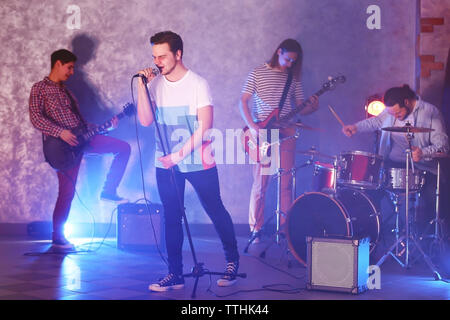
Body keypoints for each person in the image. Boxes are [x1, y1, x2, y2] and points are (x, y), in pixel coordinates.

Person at [136, 31, 240, 291]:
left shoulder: (198, 84)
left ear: (178, 54)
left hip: (196, 159)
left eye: (163, 56)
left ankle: (232, 262)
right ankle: (175, 274)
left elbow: (205, 127)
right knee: (172, 216)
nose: (157, 61)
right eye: (154, 56)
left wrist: (178, 156)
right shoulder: (155, 85)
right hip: (166, 162)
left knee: (214, 208)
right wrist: (141, 85)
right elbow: (146, 120)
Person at [29, 49, 131, 251]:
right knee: (66, 192)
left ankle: (109, 191)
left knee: (123, 148)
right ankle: (58, 238)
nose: (72, 72)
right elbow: (36, 118)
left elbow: (81, 124)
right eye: (69, 67)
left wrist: (105, 126)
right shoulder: (39, 88)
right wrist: (60, 132)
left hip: (83, 138)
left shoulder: (68, 92)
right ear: (58, 64)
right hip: (62, 148)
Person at [342, 85, 449, 237]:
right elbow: (375, 122)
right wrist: (355, 127)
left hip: (422, 167)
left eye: (398, 113)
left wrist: (423, 153)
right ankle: (372, 238)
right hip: (392, 165)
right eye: (392, 113)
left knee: (433, 202)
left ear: (407, 102)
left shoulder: (431, 112)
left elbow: (443, 146)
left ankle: (428, 243)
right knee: (370, 193)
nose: (395, 116)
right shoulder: (390, 111)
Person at [239, 39, 319, 242]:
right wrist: (253, 126)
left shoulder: (293, 79)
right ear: (278, 52)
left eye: (294, 61)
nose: (290, 64)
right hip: (263, 130)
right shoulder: (257, 72)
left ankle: (284, 229)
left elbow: (301, 106)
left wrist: (313, 106)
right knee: (260, 183)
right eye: (288, 59)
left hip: (286, 131)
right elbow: (243, 101)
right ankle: (255, 229)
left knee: (286, 182)